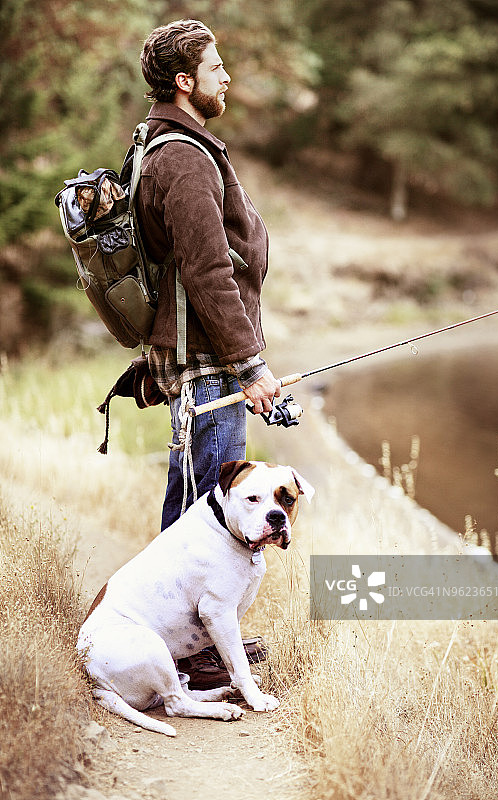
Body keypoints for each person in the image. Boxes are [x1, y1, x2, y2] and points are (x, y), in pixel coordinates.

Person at [135, 20, 280, 687]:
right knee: (204, 509)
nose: (227, 76)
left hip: (203, 353)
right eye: (215, 66)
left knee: (197, 502)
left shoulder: (174, 147)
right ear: (184, 81)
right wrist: (249, 365)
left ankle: (191, 641)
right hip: (208, 361)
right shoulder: (184, 157)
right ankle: (186, 654)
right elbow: (206, 270)